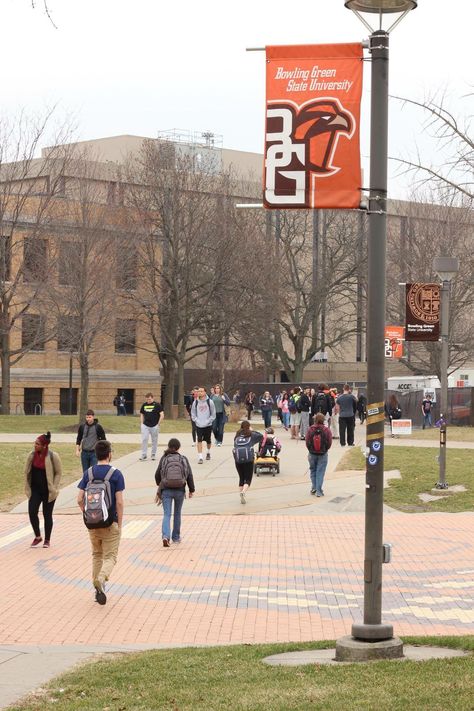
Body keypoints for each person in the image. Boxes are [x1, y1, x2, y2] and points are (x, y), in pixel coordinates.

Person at [77, 440, 125, 605]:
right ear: (109, 454)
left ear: (96, 455)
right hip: (109, 523)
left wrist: (87, 514)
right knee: (110, 556)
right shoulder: (116, 474)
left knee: (96, 554)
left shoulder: (88, 473)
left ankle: (97, 588)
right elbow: (119, 502)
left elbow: (79, 499)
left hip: (92, 523)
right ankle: (102, 579)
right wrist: (119, 522)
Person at [155, 438, 195, 546]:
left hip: (166, 490)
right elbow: (189, 475)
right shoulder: (183, 459)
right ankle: (176, 537)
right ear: (178, 448)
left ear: (168, 446)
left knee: (167, 514)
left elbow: (157, 475)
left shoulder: (164, 458)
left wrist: (160, 484)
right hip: (180, 491)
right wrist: (191, 490)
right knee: (177, 514)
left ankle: (165, 536)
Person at [25, 432, 62, 548]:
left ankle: (47, 540)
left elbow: (58, 472)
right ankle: (37, 536)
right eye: (35, 443)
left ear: (44, 446)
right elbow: (27, 472)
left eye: (37, 444)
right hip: (35, 490)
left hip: (48, 491)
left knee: (47, 514)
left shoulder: (52, 456)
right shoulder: (32, 455)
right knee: (32, 511)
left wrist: (54, 487)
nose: (35, 445)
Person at [232, 420, 263, 504]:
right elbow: (261, 436)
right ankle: (243, 492)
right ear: (249, 426)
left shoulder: (237, 435)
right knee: (248, 478)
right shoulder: (251, 434)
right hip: (249, 459)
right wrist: (252, 430)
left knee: (241, 478)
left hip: (238, 460)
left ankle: (240, 493)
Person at [306, 413, 333, 497]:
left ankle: (314, 487)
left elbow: (307, 441)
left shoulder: (310, 429)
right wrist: (326, 449)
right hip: (323, 453)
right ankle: (319, 491)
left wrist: (310, 449)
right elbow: (329, 442)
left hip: (312, 453)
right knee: (320, 472)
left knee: (313, 470)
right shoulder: (326, 430)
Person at [191, 386, 216, 463]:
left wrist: (209, 421)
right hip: (199, 425)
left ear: (205, 392)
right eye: (198, 391)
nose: (199, 393)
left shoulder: (210, 402)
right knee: (199, 440)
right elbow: (193, 413)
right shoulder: (195, 402)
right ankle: (200, 457)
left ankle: (208, 452)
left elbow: (213, 414)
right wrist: (196, 420)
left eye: (201, 391)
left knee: (208, 440)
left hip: (208, 425)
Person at [139, 392, 164, 461]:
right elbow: (141, 414)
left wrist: (158, 424)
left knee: (154, 440)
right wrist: (141, 423)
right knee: (144, 439)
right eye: (147, 399)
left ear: (152, 398)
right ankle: (144, 454)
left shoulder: (157, 405)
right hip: (145, 425)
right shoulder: (144, 405)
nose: (148, 401)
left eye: (149, 399)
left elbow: (162, 415)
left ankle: (153, 454)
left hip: (154, 426)